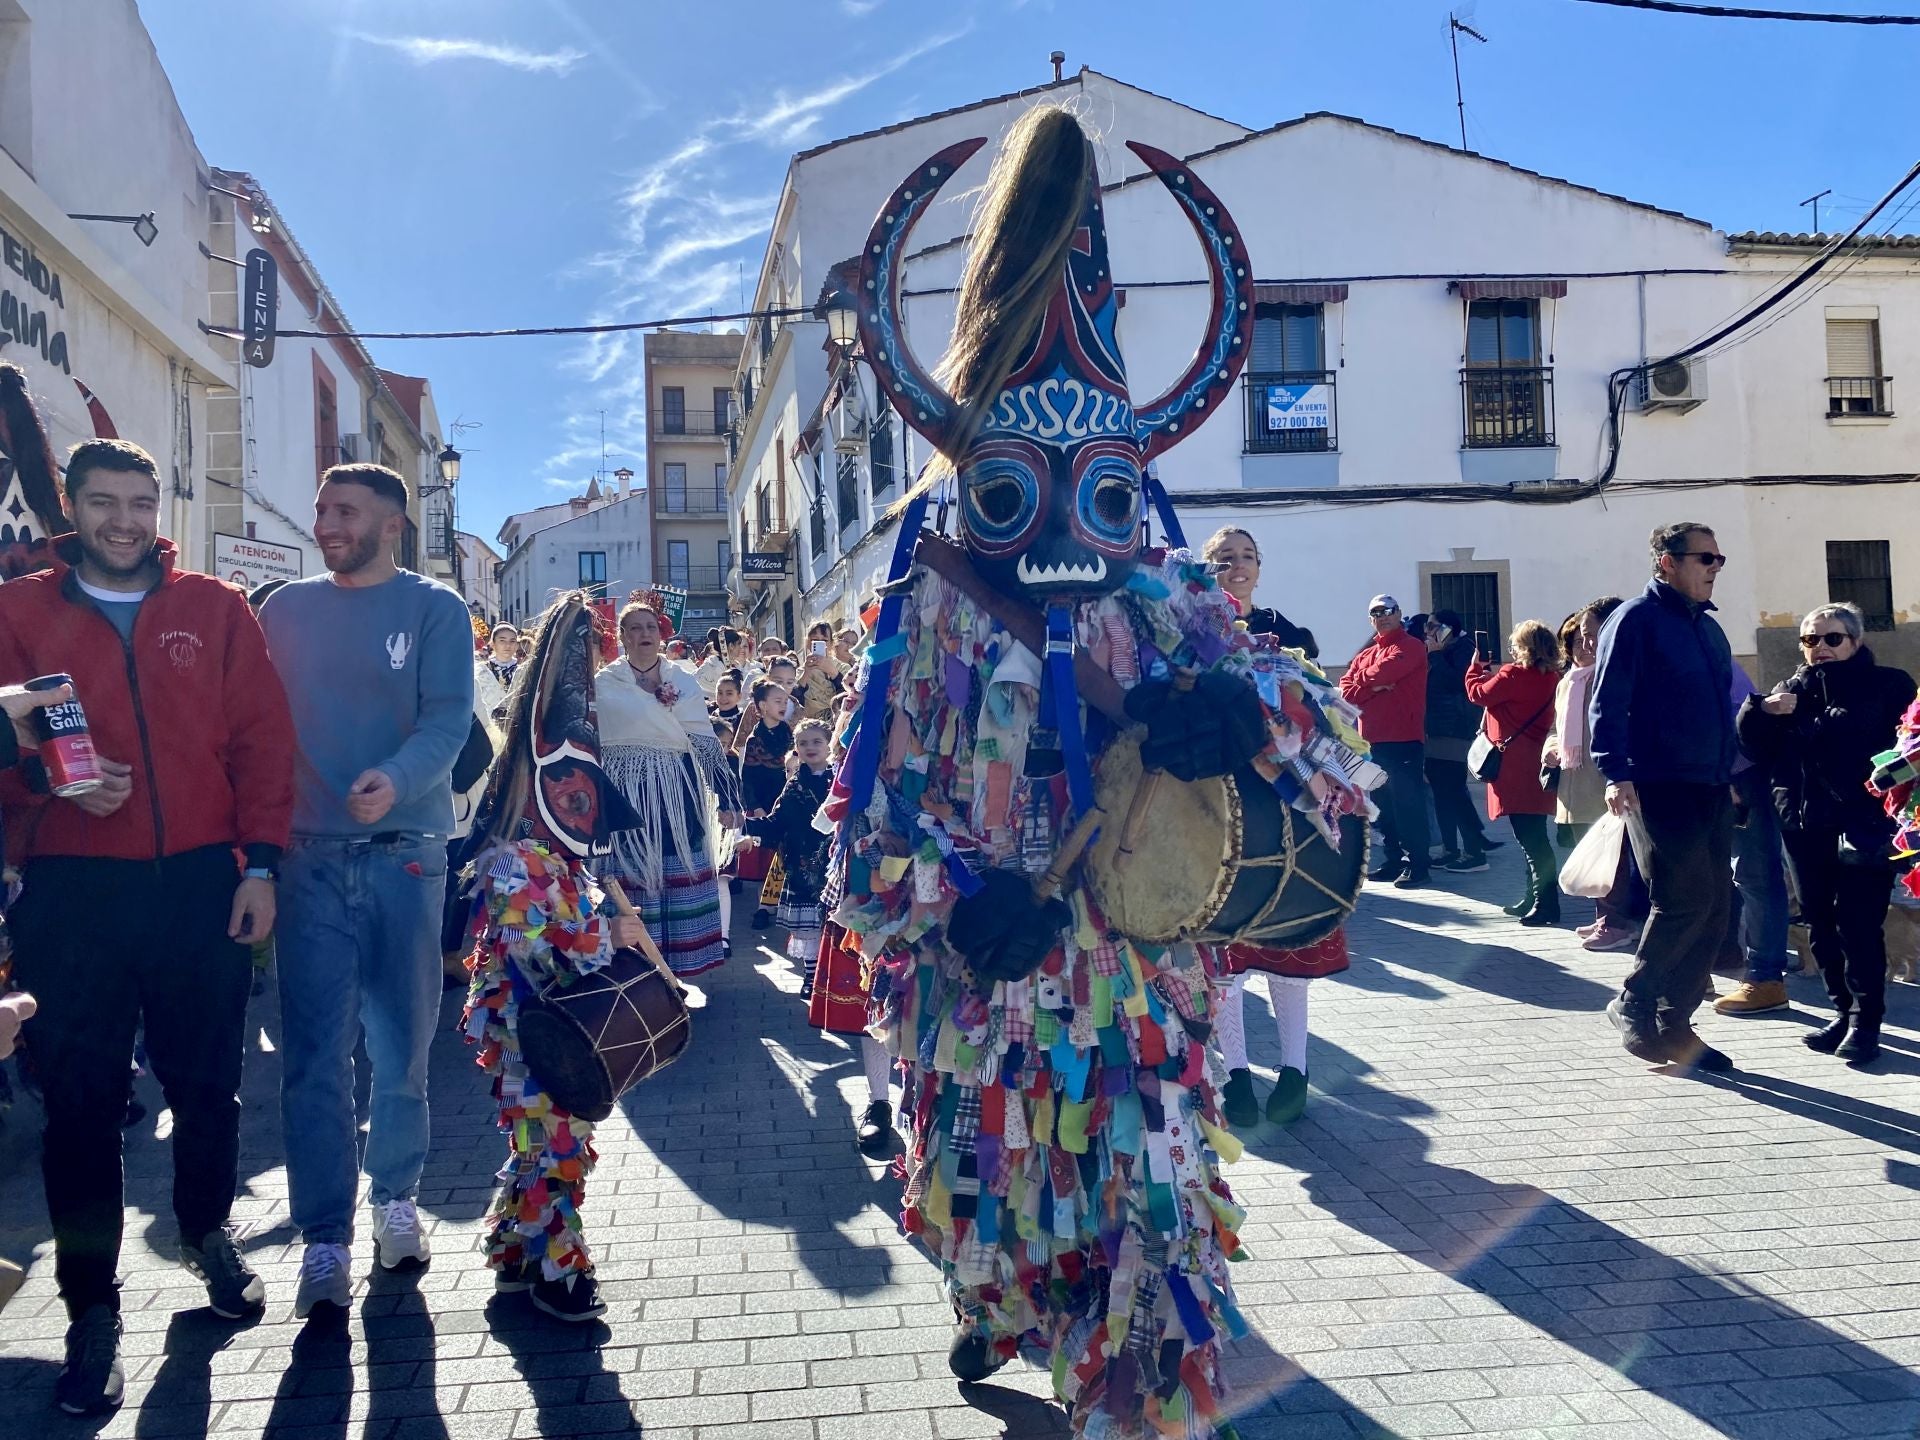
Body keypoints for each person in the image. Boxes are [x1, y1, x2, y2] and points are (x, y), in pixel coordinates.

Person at [827, 104, 1268, 1429]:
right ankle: (999, 1305)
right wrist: (960, 905)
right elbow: (873, 826)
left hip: (1135, 993)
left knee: (1149, 1245)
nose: (1076, 528)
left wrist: (1230, 715)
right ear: (981, 486)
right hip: (991, 994)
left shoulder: (1165, 589)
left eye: (1111, 493)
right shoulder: (933, 598)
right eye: (1023, 490)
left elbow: (1294, 734)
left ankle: (1125, 1388)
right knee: (995, 1200)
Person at [0, 439, 294, 1413]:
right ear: (72, 509)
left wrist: (261, 867)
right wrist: (50, 782)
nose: (123, 519)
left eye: (139, 499)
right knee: (80, 1110)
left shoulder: (215, 610)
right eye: (102, 501)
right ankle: (92, 1312)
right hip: (72, 896)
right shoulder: (17, 613)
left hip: (202, 886)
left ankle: (209, 1234)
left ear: (157, 505)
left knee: (208, 1087)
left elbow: (261, 743)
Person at [259, 463, 474, 1317]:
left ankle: (395, 1199)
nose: (323, 522)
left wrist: (395, 775)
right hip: (308, 858)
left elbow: (450, 717)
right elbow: (257, 724)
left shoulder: (435, 610)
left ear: (392, 523)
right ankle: (323, 1240)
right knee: (312, 1059)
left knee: (401, 1049)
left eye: (343, 510)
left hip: (407, 856)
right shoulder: (285, 610)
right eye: (319, 508)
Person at [458, 593, 651, 1321]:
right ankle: (555, 1267)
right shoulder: (518, 863)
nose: (585, 807)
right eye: (574, 793)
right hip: (534, 1035)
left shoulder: (549, 859)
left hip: (538, 1033)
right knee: (552, 1143)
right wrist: (615, 937)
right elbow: (550, 959)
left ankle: (516, 1250)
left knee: (541, 1142)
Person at [1200, 525, 1355, 1128]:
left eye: (1246, 558)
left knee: (1288, 949)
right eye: (1223, 559)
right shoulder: (1186, 638)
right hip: (1217, 816)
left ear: (1260, 569)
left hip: (1284, 812)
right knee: (1224, 960)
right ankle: (1236, 1075)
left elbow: (1319, 726)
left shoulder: (1286, 640)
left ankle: (1295, 1071)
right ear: (1203, 571)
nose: (1236, 568)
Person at [1589, 522, 1739, 1072]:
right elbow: (1609, 698)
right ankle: (1635, 999)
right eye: (1705, 558)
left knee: (1716, 906)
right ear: (1666, 562)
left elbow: (1721, 708)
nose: (1714, 568)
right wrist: (1615, 771)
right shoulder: (1635, 619)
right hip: (1657, 781)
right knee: (1683, 898)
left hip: (1711, 781)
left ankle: (1676, 1023)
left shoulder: (1710, 629)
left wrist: (1735, 770)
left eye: (1719, 559)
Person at [1736, 603, 1915, 1061]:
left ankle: (1866, 1021)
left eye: (1831, 638)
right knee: (1819, 923)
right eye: (1810, 640)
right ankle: (1841, 1010)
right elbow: (1755, 747)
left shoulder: (1889, 686)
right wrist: (1759, 710)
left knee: (1859, 924)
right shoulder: (1791, 689)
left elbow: (1908, 753)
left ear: (1855, 641)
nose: (1820, 649)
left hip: (1865, 826)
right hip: (1804, 824)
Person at [595, 603, 740, 980]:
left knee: (679, 862)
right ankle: (636, 966)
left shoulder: (683, 679)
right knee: (631, 868)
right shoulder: (604, 682)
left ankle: (677, 966)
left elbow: (705, 740)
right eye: (634, 628)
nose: (644, 634)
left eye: (650, 627)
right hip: (623, 790)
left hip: (676, 787)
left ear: (661, 635)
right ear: (623, 636)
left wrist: (726, 798)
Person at [1545, 597, 1641, 951]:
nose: (1585, 644)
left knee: (1617, 856)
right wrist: (1551, 750)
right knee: (1598, 851)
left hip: (1610, 779)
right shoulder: (1570, 681)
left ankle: (1618, 923)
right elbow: (1556, 729)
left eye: (1592, 635)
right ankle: (1605, 917)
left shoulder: (1619, 676)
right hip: (1578, 779)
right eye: (1580, 637)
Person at [1466, 621, 1564, 926]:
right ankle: (1532, 898)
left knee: (1531, 839)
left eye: (1514, 644)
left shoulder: (1512, 674)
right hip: (1537, 763)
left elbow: (1478, 694)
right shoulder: (1554, 678)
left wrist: (1475, 668)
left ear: (1525, 648)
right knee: (1532, 835)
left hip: (1515, 766)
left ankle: (1547, 904)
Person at [1340, 594, 1432, 887]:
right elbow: (1345, 693)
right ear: (1371, 620)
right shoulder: (1367, 653)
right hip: (1371, 743)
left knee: (1408, 806)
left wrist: (1365, 682)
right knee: (1383, 807)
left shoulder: (1412, 646)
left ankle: (1417, 865)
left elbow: (1387, 672)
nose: (1383, 616)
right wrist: (1374, 687)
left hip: (1403, 739)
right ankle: (1393, 860)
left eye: (1388, 610)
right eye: (1376, 613)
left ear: (1399, 613)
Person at [1717, 663, 1793, 1011]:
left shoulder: (1708, 656)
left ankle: (1765, 977)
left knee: (1755, 875)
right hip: (1708, 780)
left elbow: (1738, 723)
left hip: (1739, 778)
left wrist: (1729, 777)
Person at [742, 717, 834, 988]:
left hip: (834, 863)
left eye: (817, 741)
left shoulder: (841, 781)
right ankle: (811, 976)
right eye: (803, 743)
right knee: (809, 927)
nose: (810, 747)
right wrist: (742, 824)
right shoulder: (793, 785)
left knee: (832, 923)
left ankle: (833, 980)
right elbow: (776, 823)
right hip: (801, 862)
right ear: (796, 748)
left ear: (830, 745)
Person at [1421, 609, 1492, 871]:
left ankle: (1475, 853)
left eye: (1432, 626)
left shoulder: (1464, 649)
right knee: (1441, 793)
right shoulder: (1438, 650)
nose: (1427, 631)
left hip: (1455, 730)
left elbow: (1455, 683)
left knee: (1454, 792)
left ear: (1447, 628)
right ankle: (1450, 849)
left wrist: (1437, 655)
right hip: (1437, 730)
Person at [1202, 526, 1318, 657]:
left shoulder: (1278, 627)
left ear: (1258, 572)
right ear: (1208, 573)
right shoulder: (1195, 629)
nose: (1240, 564)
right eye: (1227, 557)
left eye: (1248, 556)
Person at [796, 620, 844, 721]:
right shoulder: (799, 673)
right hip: (811, 727)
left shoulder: (843, 668)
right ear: (808, 642)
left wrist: (834, 673)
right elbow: (795, 700)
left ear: (831, 643)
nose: (820, 643)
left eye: (824, 640)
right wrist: (806, 674)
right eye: (815, 639)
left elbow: (849, 695)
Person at [473, 622, 519, 725]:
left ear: (516, 645)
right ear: (493, 644)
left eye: (512, 641)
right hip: (486, 730)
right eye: (502, 641)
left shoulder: (523, 671)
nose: (508, 645)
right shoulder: (480, 671)